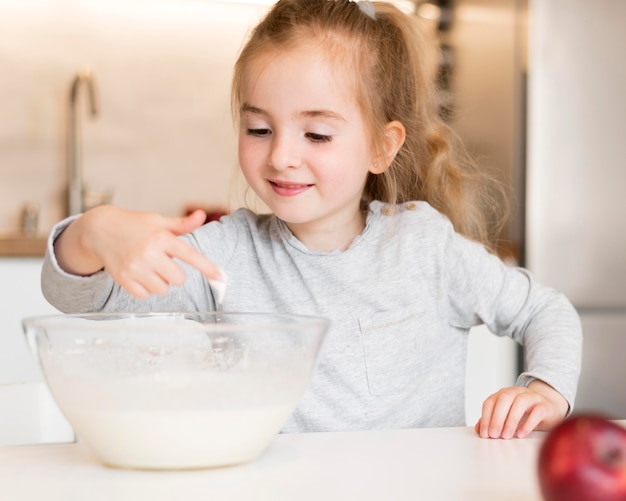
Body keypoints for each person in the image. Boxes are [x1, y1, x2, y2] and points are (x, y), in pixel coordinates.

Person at [41, 0, 582, 439]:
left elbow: (545, 311)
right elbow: (85, 301)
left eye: (317, 134)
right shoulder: (224, 255)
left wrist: (544, 389)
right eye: (259, 129)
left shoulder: (425, 246)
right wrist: (92, 233)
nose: (281, 156)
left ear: (381, 147)